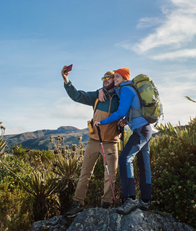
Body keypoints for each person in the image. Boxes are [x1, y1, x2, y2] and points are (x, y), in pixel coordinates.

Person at [61, 65, 121, 216]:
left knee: (110, 176)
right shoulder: (97, 95)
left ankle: (106, 204)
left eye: (108, 78)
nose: (105, 80)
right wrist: (66, 79)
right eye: (103, 78)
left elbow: (128, 110)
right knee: (85, 174)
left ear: (114, 80)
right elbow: (77, 96)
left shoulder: (121, 98)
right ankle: (77, 203)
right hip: (94, 140)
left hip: (112, 143)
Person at [94, 68, 152, 215]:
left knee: (125, 158)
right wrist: (127, 120)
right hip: (145, 129)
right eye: (115, 78)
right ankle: (145, 201)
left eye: (118, 77)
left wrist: (102, 121)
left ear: (125, 78)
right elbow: (133, 110)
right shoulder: (131, 89)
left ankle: (130, 199)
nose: (115, 79)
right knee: (144, 164)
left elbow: (120, 111)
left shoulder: (126, 89)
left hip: (140, 131)